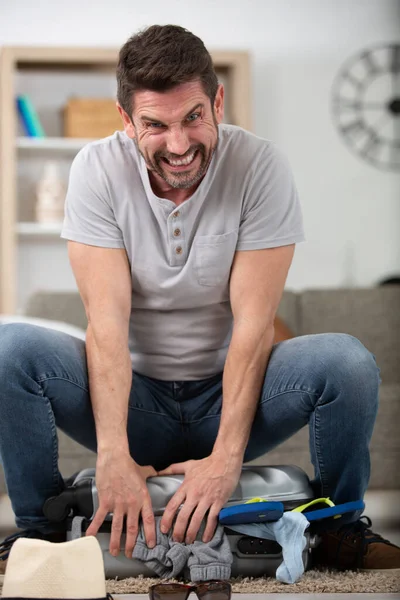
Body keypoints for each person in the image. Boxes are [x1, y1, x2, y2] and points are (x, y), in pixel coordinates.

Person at [0, 24, 399, 574]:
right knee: (7, 348)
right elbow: (107, 325)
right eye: (155, 125)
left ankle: (338, 533)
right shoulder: (96, 170)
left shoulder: (260, 167)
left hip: (230, 399)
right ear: (125, 120)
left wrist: (225, 460)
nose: (180, 145)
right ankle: (38, 537)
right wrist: (114, 453)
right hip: (134, 400)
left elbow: (255, 326)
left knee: (348, 362)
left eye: (193, 117)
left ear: (217, 101)